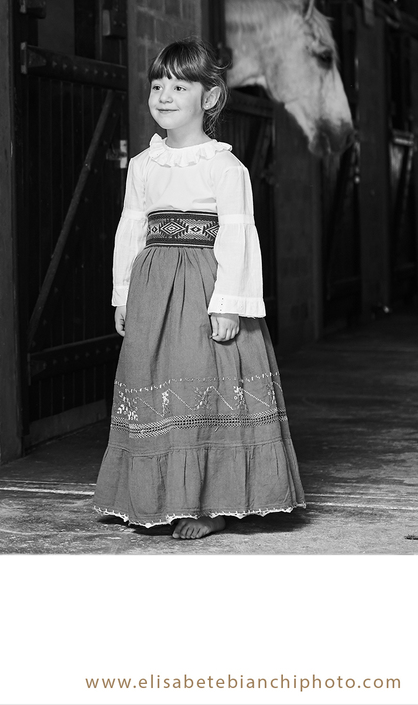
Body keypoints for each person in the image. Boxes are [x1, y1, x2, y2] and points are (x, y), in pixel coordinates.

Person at [93, 37, 305, 539]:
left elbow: (237, 234)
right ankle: (151, 496)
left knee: (201, 385)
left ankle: (211, 504)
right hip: (154, 293)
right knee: (155, 381)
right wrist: (123, 293)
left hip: (205, 288)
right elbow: (131, 229)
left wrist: (228, 304)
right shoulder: (144, 165)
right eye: (158, 85)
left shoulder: (224, 167)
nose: (164, 95)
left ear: (208, 98)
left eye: (179, 86)